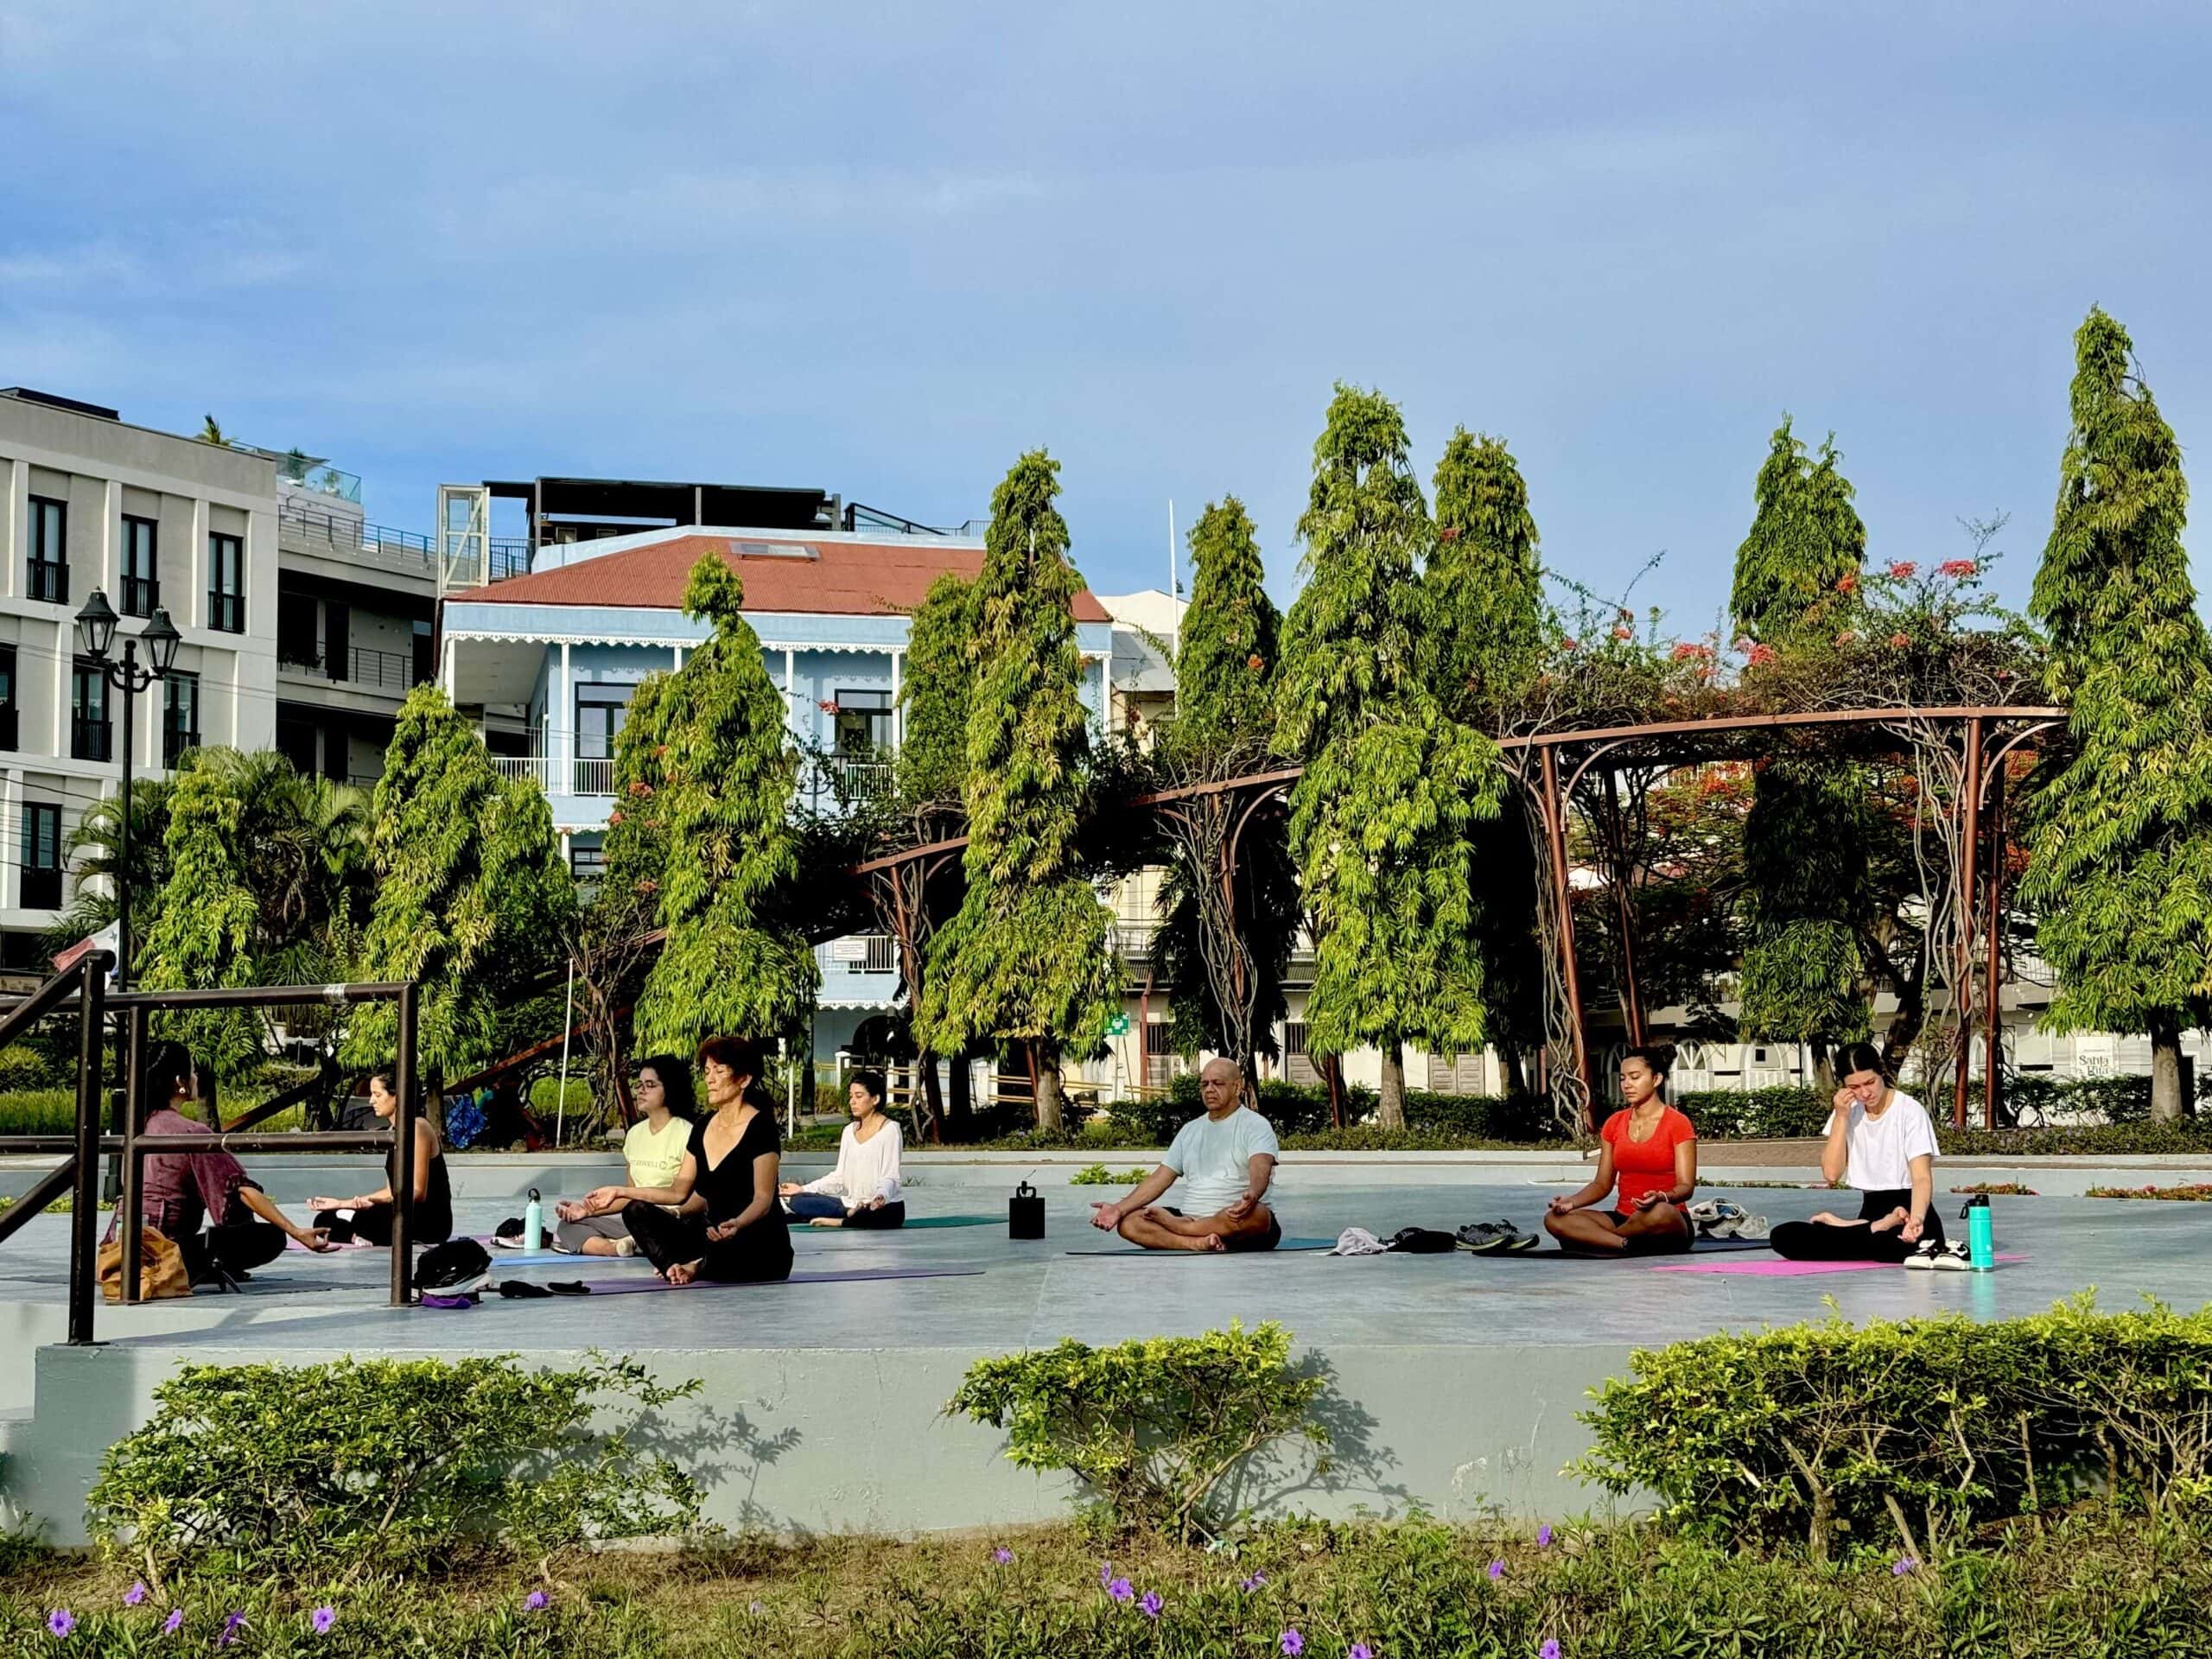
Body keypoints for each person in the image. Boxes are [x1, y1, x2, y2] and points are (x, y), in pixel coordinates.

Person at [579, 1034, 793, 1286]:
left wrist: (738, 1223)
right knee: (636, 1211)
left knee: (733, 1246)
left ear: (744, 1079)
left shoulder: (761, 1126)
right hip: (712, 1237)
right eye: (707, 1071)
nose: (710, 1079)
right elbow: (678, 1191)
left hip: (756, 1241)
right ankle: (677, 1268)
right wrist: (620, 1191)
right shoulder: (703, 1126)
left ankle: (697, 1266)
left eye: (719, 1071)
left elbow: (763, 1200)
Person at [112, 1043, 332, 1285]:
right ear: (180, 1082)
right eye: (193, 1072)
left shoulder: (137, 1127)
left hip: (118, 1246)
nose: (196, 1077)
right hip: (163, 1247)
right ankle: (198, 1268)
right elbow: (241, 1189)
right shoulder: (190, 1132)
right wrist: (297, 1232)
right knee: (271, 1236)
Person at [1770, 1042, 1945, 1262]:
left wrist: (1916, 1219)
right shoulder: (1847, 1111)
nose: (1864, 1093)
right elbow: (1832, 1174)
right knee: (1783, 1236)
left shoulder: (1909, 1111)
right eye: (1854, 1087)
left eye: (1870, 1082)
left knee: (1890, 1246)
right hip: (1871, 1215)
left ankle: (1848, 1229)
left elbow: (1921, 1178)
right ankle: (1866, 1228)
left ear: (1881, 1072)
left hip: (1909, 1210)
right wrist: (1841, 1116)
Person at [1089, 1056, 1281, 1253]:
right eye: (1204, 1084)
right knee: (1129, 1222)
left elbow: (1260, 1166)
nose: (1209, 1090)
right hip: (1192, 1215)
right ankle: (1196, 1242)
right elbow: (1160, 1177)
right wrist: (1118, 1209)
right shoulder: (1191, 1130)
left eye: (1218, 1083)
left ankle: (1184, 1230)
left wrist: (1253, 1193)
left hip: (1234, 1219)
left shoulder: (1255, 1125)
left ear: (1237, 1087)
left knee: (1258, 1215)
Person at [1544, 1046, 1696, 1254]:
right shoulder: (1614, 1123)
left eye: (1635, 1077)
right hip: (1623, 1217)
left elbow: (1686, 1187)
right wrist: (1571, 1202)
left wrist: (1662, 1197)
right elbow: (1601, 1184)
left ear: (1656, 1079)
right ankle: (1624, 1245)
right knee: (1554, 1219)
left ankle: (1599, 1240)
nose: (1627, 1085)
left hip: (1665, 1216)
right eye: (1623, 1078)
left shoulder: (1678, 1123)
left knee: (1659, 1213)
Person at [551, 1056, 696, 1255]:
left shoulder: (687, 1133)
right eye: (639, 1085)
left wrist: (621, 1192)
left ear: (670, 1088)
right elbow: (630, 1195)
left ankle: (638, 1243)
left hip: (670, 1222)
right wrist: (588, 1210)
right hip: (634, 1221)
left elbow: (679, 1194)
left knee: (657, 1229)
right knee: (568, 1225)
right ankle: (618, 1247)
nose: (641, 1091)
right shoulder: (635, 1134)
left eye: (650, 1085)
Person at [308, 1071, 454, 1246]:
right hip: (395, 1209)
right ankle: (357, 1235)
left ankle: (359, 1232)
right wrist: (341, 1203)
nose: (371, 1100)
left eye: (377, 1094)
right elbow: (390, 1189)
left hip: (427, 1220)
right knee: (325, 1219)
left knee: (366, 1218)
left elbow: (417, 1192)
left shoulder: (417, 1127)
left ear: (398, 1096)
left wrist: (384, 1201)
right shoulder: (393, 1132)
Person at [780, 1069, 905, 1229]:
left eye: (859, 1096)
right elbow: (839, 1177)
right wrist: (803, 1188)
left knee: (883, 1215)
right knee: (798, 1199)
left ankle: (841, 1220)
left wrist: (881, 1196)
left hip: (882, 1206)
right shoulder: (849, 1131)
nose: (852, 1101)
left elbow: (891, 1176)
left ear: (875, 1099)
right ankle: (850, 1215)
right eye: (851, 1096)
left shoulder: (890, 1130)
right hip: (852, 1205)